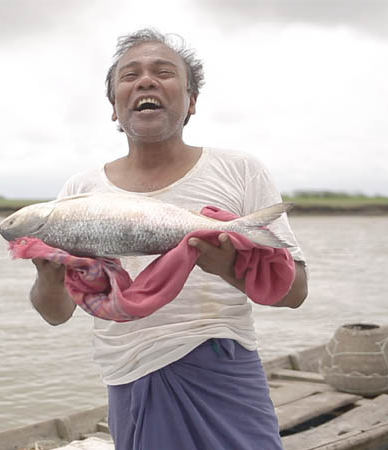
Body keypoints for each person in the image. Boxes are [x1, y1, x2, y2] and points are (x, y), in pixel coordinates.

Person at [29, 28, 308, 450]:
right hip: (129, 373)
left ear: (191, 101)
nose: (146, 81)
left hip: (224, 366)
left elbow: (296, 292)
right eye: (130, 75)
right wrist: (48, 275)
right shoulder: (80, 192)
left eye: (163, 72)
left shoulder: (240, 170)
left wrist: (229, 268)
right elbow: (56, 314)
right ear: (114, 108)